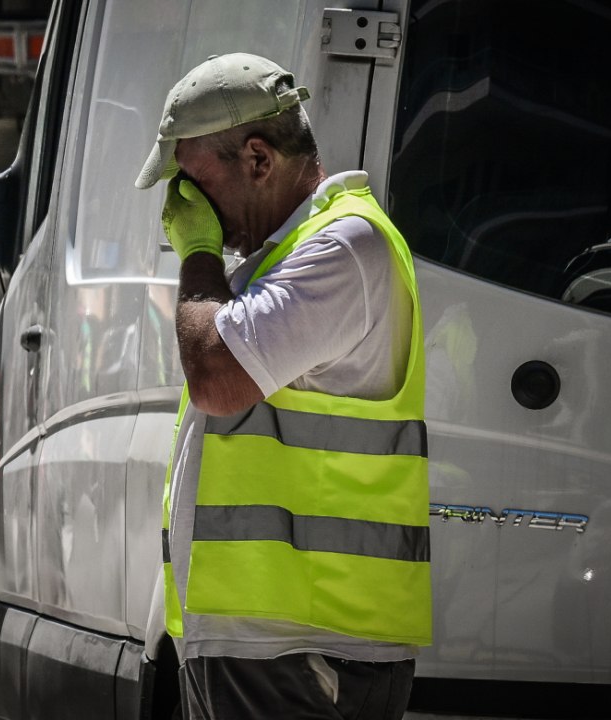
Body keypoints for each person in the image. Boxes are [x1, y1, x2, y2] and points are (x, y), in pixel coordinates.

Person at [134, 53, 431, 719]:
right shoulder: (292, 256)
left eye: (193, 182)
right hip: (277, 643)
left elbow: (214, 375)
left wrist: (197, 254)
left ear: (259, 160)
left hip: (304, 649)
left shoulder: (345, 247)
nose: (182, 204)